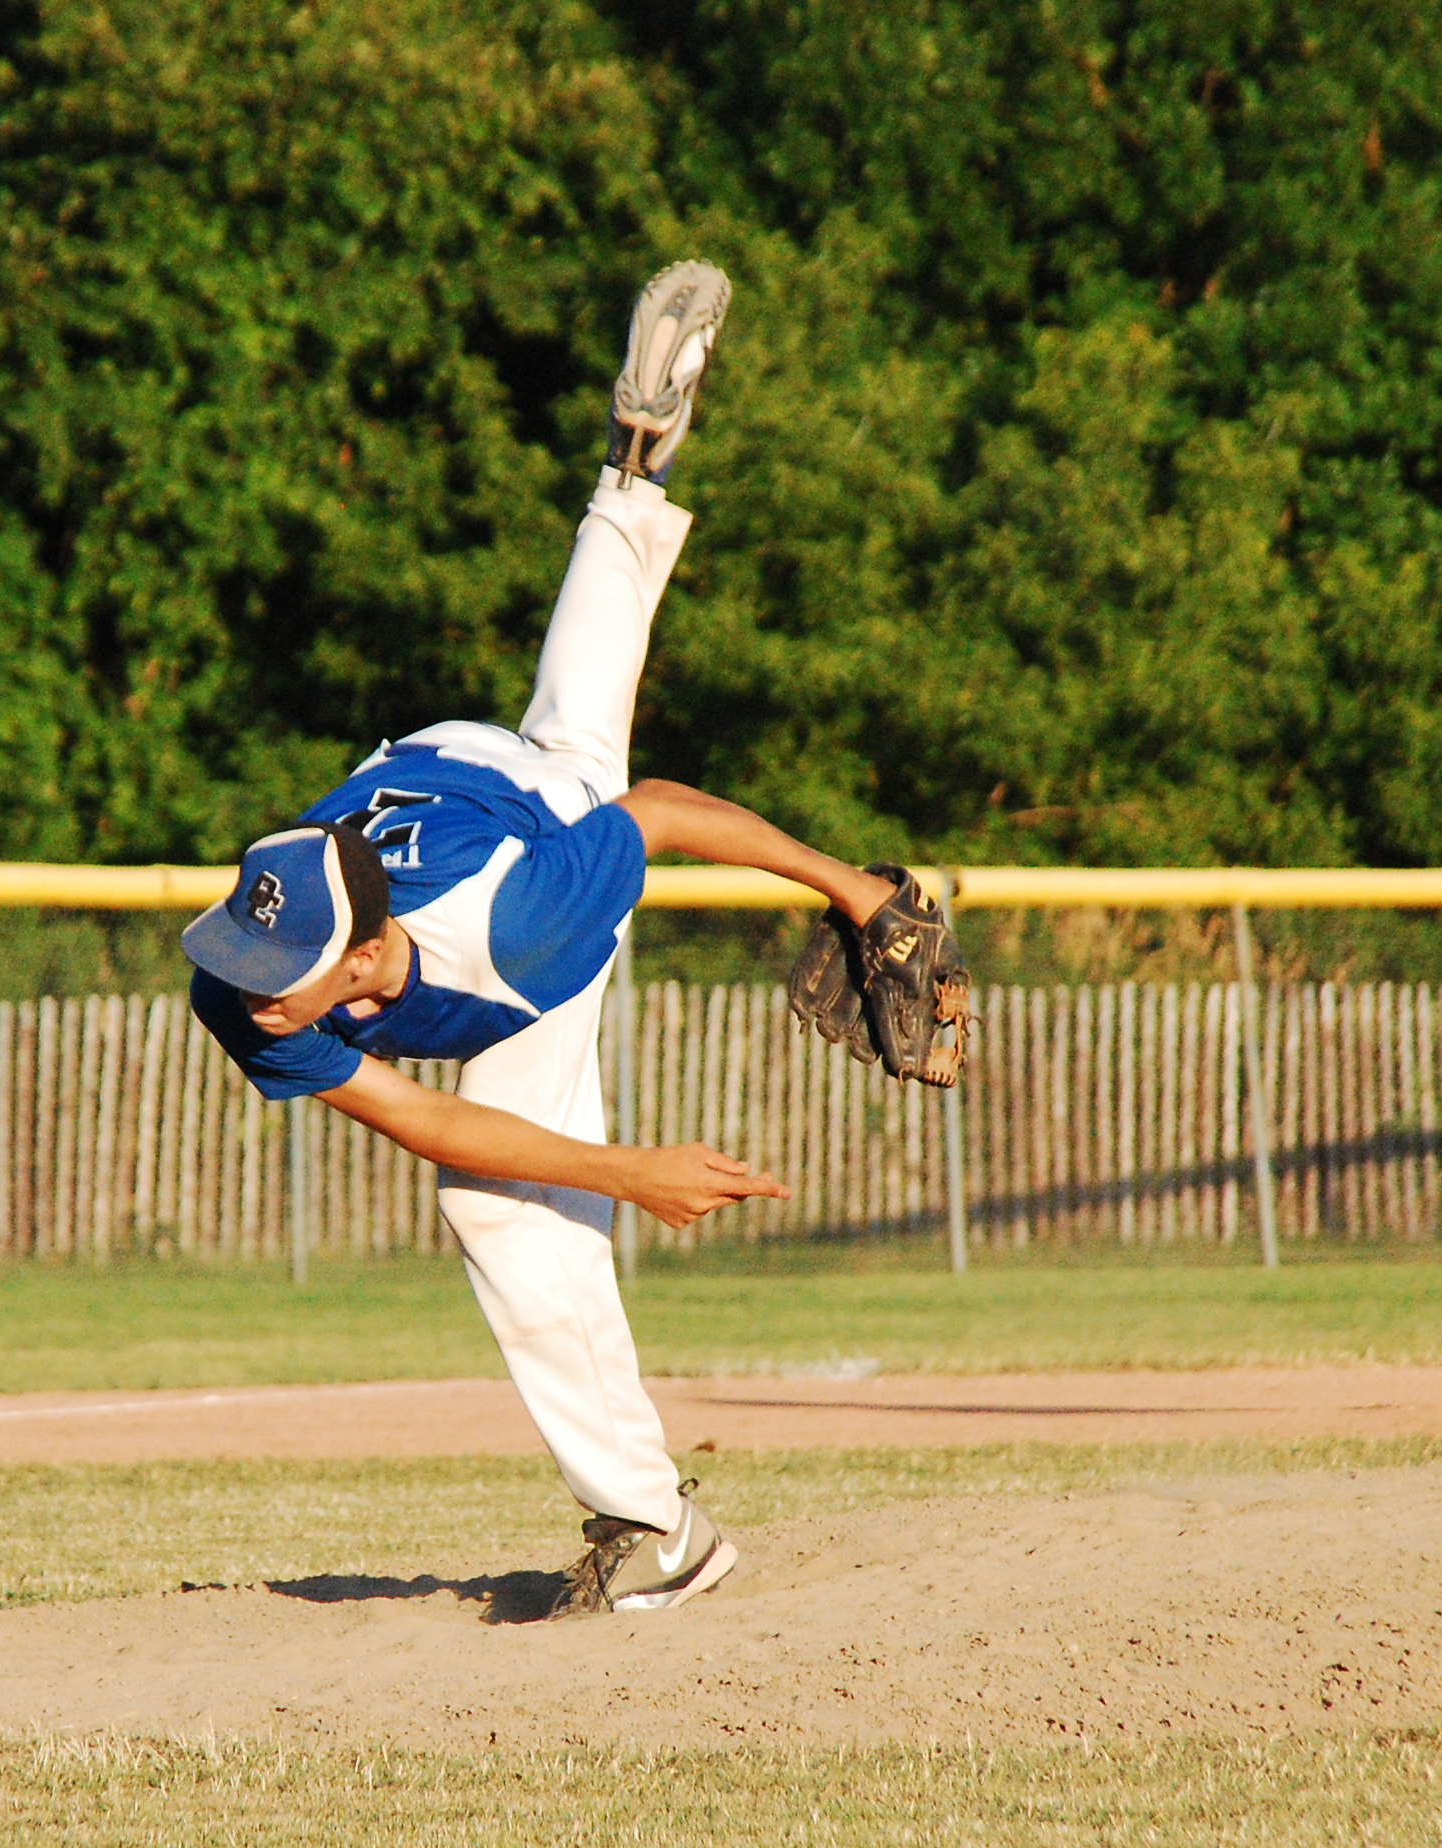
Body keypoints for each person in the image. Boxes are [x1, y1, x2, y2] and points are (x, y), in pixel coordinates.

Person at [182, 263, 924, 1614]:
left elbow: (657, 810)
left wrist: (854, 892)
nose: (255, 994)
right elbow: (431, 1119)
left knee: (580, 765)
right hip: (419, 779)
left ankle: (656, 1525)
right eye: (249, 961)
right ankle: (631, 473)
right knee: (572, 721)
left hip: (515, 842)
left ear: (361, 964)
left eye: (281, 977)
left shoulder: (526, 922)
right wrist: (629, 1174)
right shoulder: (248, 976)